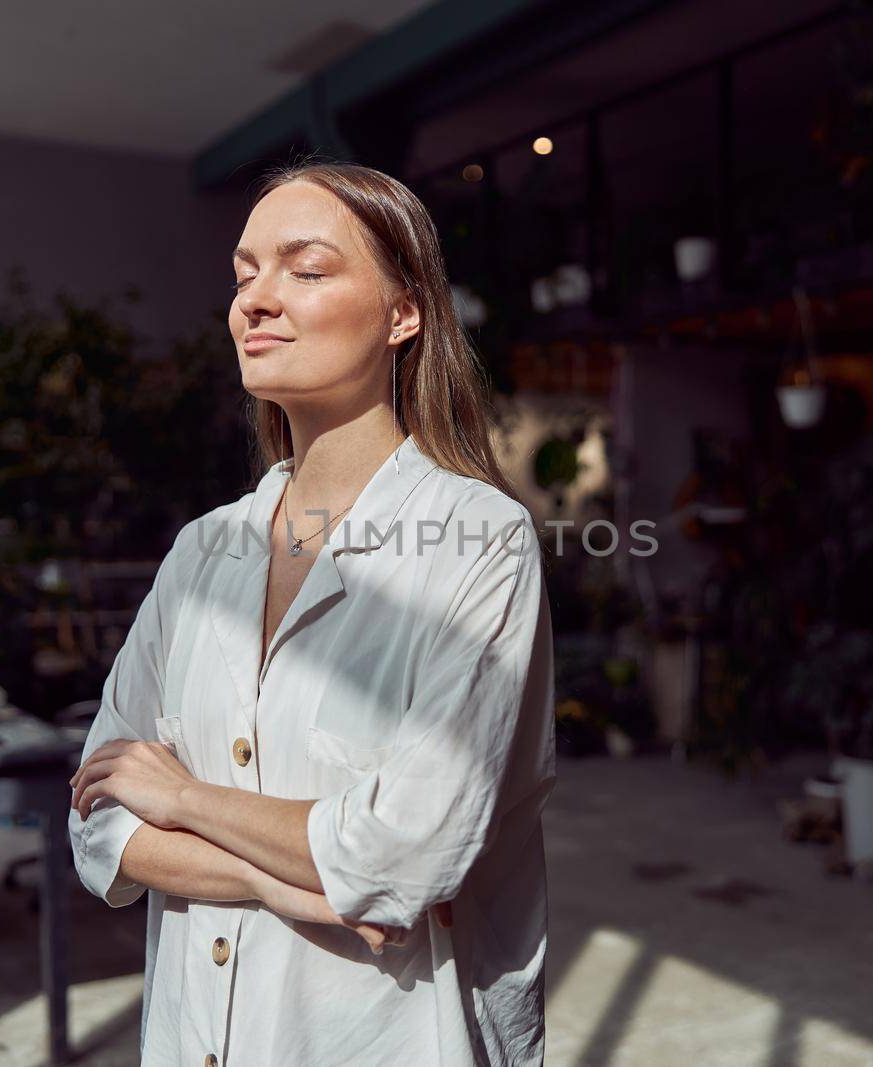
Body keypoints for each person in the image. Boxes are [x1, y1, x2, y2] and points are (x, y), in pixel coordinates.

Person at [67, 160, 556, 1067]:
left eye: (306, 268)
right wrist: (289, 879)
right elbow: (97, 821)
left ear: (403, 312)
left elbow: (408, 855)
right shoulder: (201, 551)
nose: (256, 298)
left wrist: (182, 799)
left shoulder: (479, 538)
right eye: (244, 272)